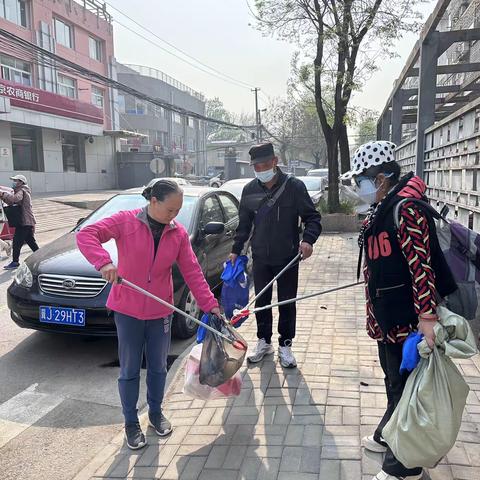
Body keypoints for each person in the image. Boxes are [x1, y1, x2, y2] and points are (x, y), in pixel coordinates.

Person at [76, 179, 221, 450]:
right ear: (153, 201)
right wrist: (104, 262)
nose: (174, 216)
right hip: (127, 310)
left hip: (160, 310)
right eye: (170, 210)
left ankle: (155, 413)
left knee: (158, 367)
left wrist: (210, 304)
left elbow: (192, 271)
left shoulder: (176, 234)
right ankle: (131, 422)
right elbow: (85, 235)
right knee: (130, 370)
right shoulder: (125, 221)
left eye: (178, 211)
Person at [342, 141, 457, 480]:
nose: (357, 188)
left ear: (379, 179)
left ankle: (404, 467)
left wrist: (427, 319)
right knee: (394, 381)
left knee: (407, 387)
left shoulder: (406, 209)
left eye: (360, 180)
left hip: (408, 321)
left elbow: (421, 268)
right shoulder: (384, 205)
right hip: (387, 317)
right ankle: (387, 434)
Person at [229, 143, 322, 368]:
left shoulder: (294, 187)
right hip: (260, 256)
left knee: (286, 302)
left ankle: (286, 344)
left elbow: (313, 218)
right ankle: (263, 341)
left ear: (275, 161)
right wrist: (236, 249)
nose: (260, 169)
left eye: (264, 164)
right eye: (256, 166)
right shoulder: (250, 189)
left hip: (288, 256)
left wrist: (308, 240)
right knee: (262, 301)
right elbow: (244, 224)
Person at [0, 174, 38, 270]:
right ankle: (41, 256)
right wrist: (3, 196)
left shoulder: (22, 190)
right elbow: (12, 202)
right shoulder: (21, 191)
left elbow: (14, 199)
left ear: (21, 182)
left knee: (17, 242)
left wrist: (3, 194)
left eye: (16, 180)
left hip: (24, 221)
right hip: (26, 221)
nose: (14, 182)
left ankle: (15, 262)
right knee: (30, 241)